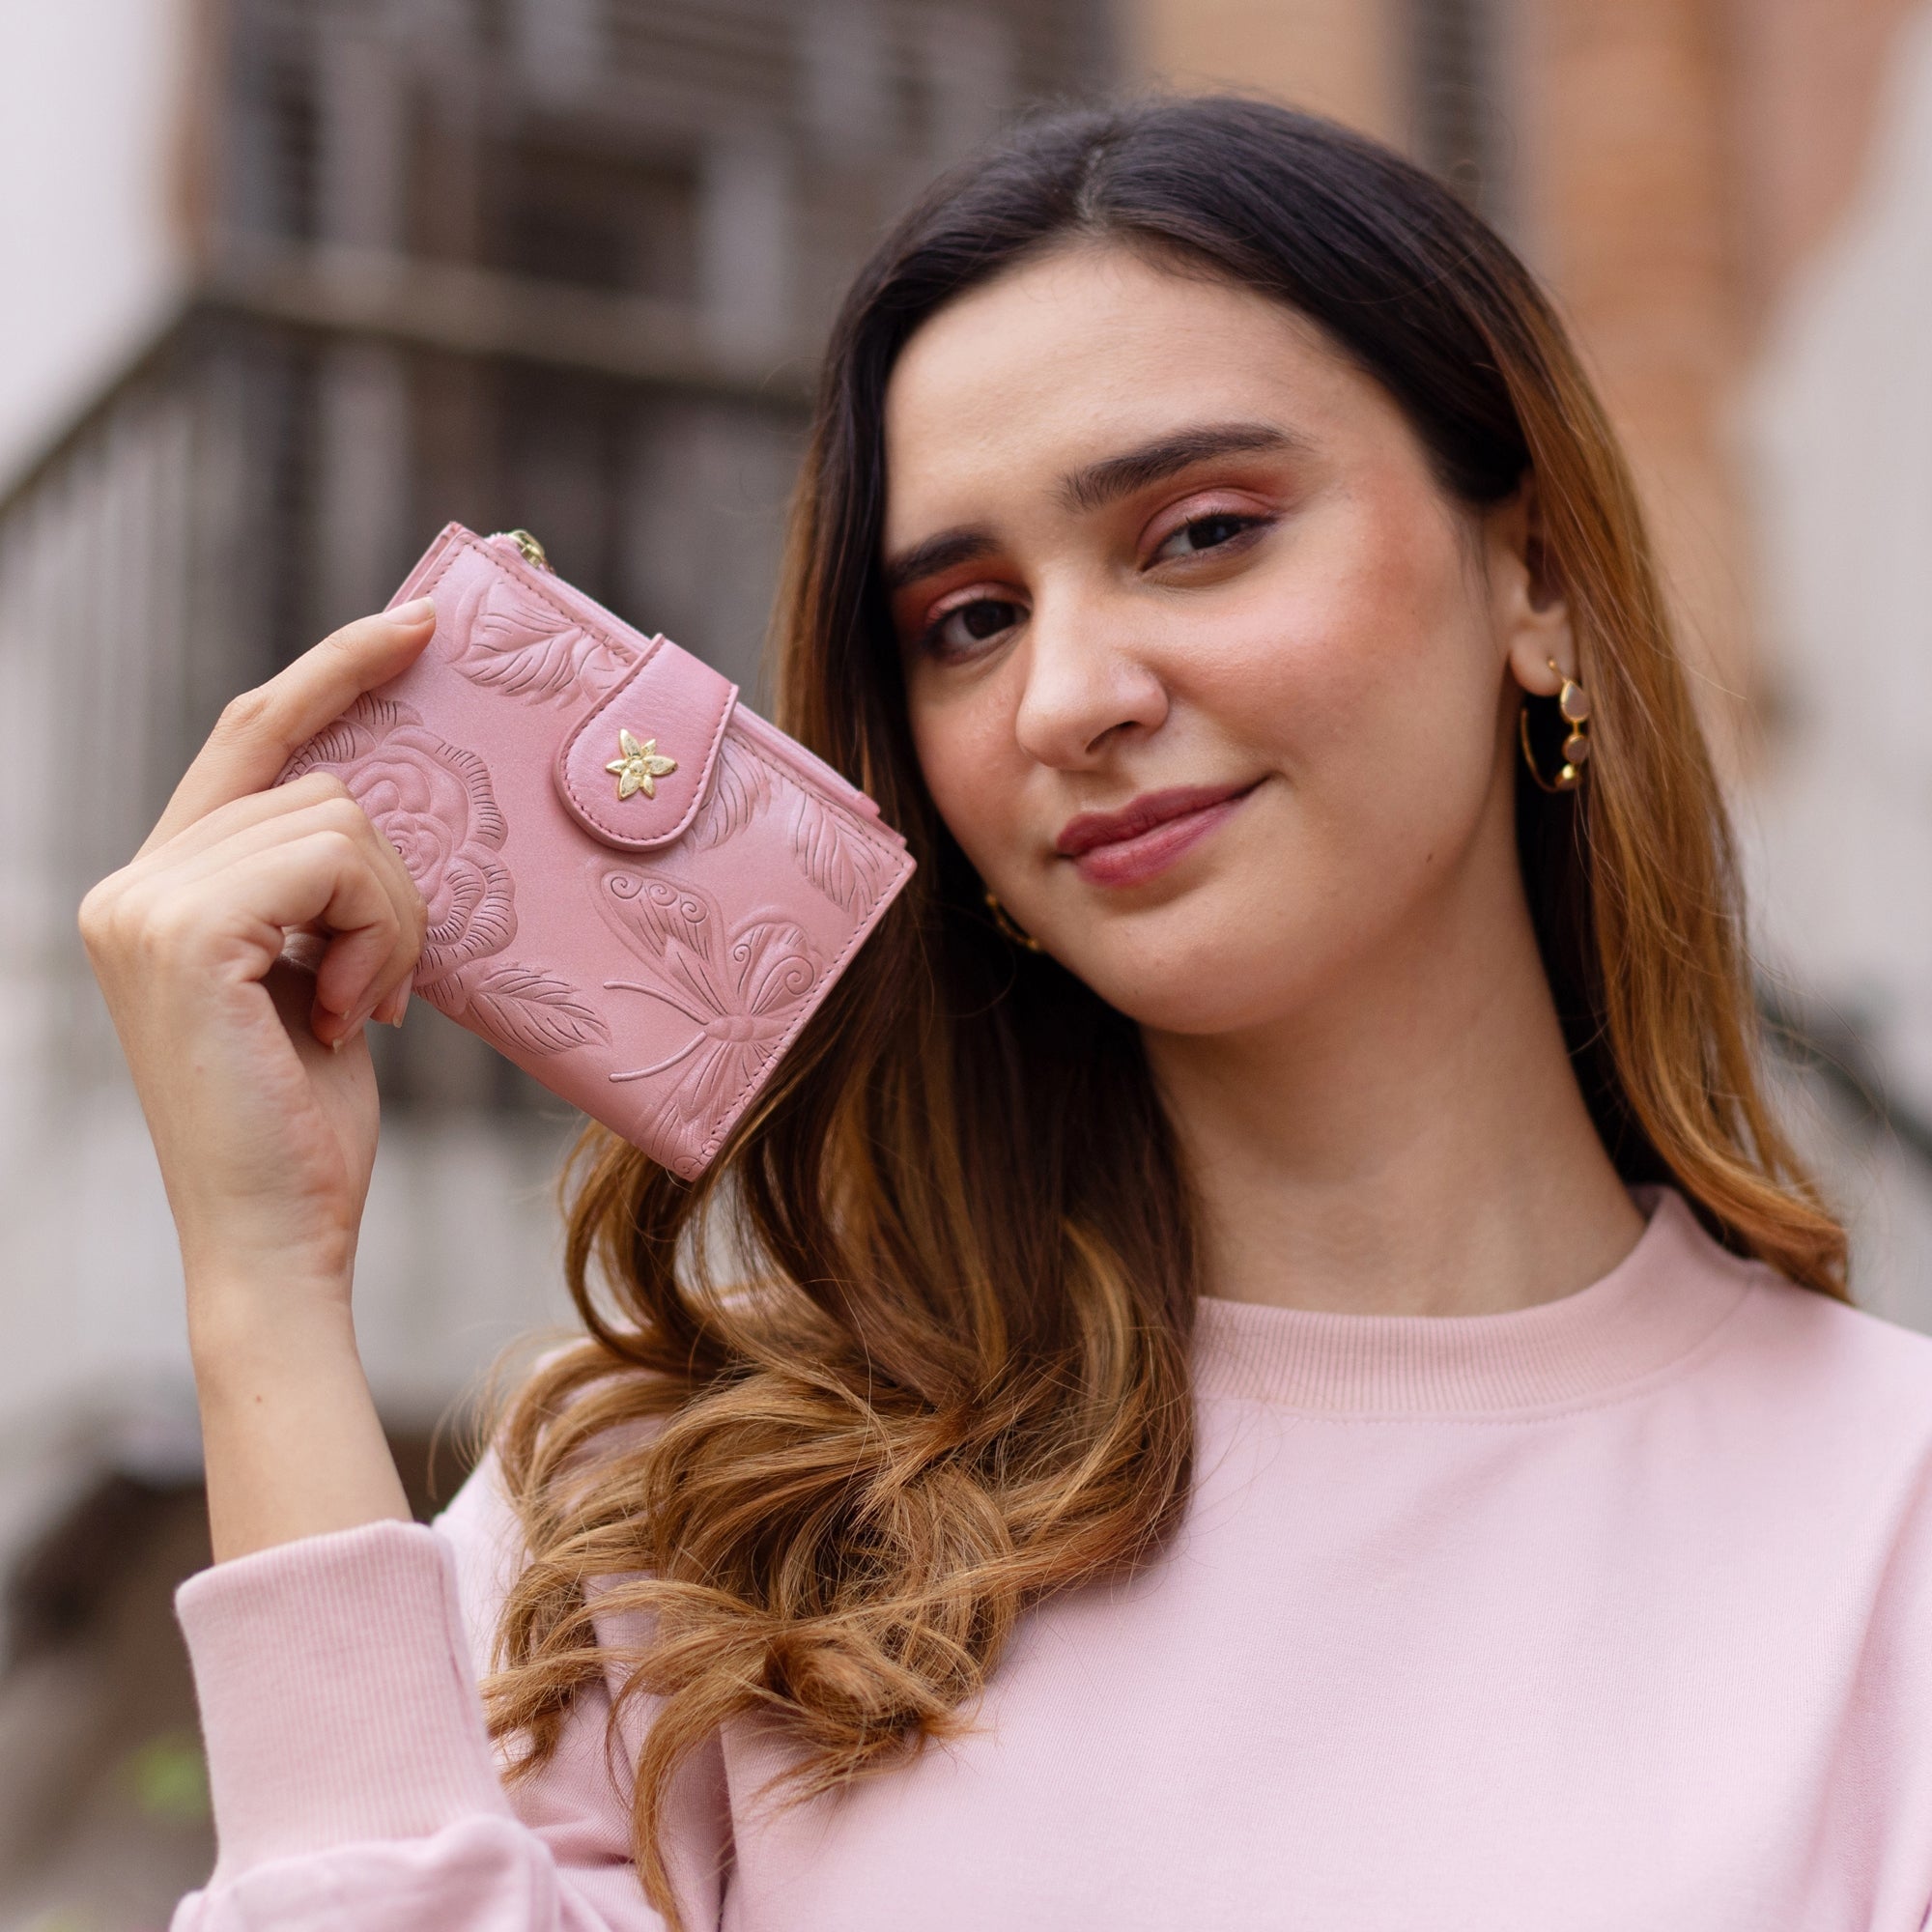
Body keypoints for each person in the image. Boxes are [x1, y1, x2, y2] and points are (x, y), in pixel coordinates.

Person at [78, 96, 1932, 1932]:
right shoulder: (693, 1510)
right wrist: (263, 1275)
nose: (1068, 695)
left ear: (1531, 573)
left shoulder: (1888, 1524)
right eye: (966, 618)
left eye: (1202, 531)